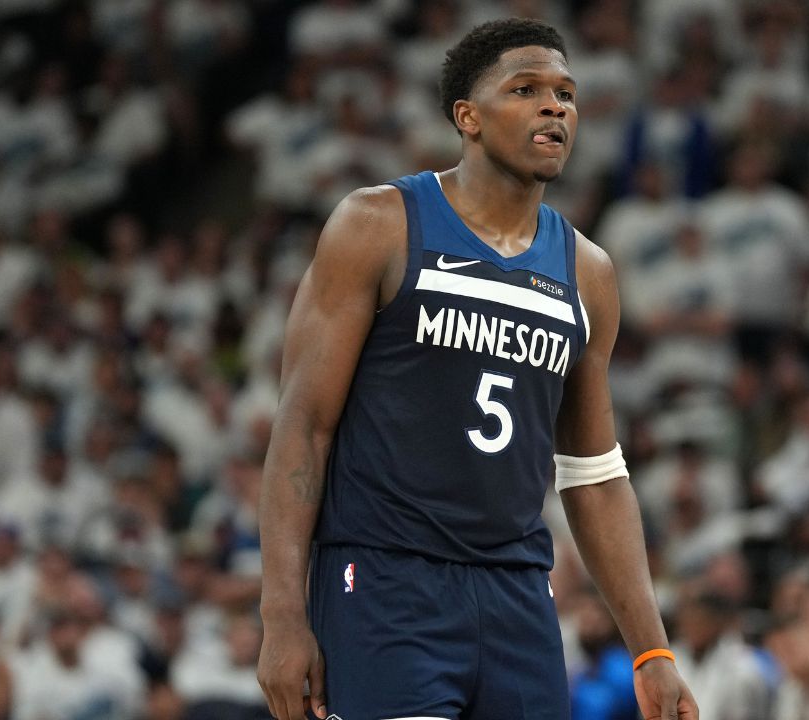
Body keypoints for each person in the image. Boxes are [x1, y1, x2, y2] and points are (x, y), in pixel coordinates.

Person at [255, 17, 697, 720]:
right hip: (385, 580)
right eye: (526, 89)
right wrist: (281, 615)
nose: (555, 106)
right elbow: (303, 427)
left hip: (518, 593)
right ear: (468, 118)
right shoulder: (378, 224)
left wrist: (652, 651)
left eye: (566, 93)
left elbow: (594, 473)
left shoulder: (589, 272)